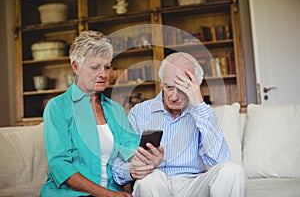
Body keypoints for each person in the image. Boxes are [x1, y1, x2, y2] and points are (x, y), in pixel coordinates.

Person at [113, 52, 245, 197]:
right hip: (155, 181)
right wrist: (132, 170)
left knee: (233, 170)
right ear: (161, 83)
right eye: (169, 87)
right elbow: (117, 166)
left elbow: (220, 160)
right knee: (149, 180)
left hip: (193, 183)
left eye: (183, 88)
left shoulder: (204, 114)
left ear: (195, 86)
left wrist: (198, 106)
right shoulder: (139, 113)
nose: (175, 97)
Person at [41, 30, 139, 197]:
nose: (103, 74)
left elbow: (131, 150)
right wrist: (107, 194)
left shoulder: (115, 109)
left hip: (114, 193)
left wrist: (148, 160)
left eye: (107, 67)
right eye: (95, 67)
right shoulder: (58, 107)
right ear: (75, 67)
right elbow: (60, 166)